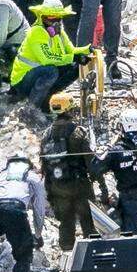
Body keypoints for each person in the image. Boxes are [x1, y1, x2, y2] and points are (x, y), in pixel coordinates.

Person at [10, 0, 92, 114]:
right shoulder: (36, 32)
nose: (55, 22)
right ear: (42, 17)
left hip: (40, 76)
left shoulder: (59, 32)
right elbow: (46, 59)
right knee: (51, 71)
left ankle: (46, 101)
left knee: (75, 68)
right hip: (23, 80)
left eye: (58, 18)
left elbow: (71, 50)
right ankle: (32, 109)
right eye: (51, 18)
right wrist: (73, 57)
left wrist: (87, 50)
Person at [41, 93, 100, 250]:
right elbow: (90, 162)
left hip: (57, 186)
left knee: (66, 222)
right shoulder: (78, 132)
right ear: (69, 110)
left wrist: (50, 190)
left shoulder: (46, 136)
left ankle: (67, 256)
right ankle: (93, 254)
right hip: (79, 185)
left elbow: (44, 166)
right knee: (88, 221)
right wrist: (100, 183)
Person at [0, 154, 46, 272]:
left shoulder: (0, 175)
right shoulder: (32, 177)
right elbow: (39, 208)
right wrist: (38, 235)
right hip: (15, 209)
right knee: (23, 254)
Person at [92, 109, 137, 234]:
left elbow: (95, 168)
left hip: (129, 201)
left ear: (122, 126)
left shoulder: (117, 150)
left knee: (129, 236)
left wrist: (106, 148)